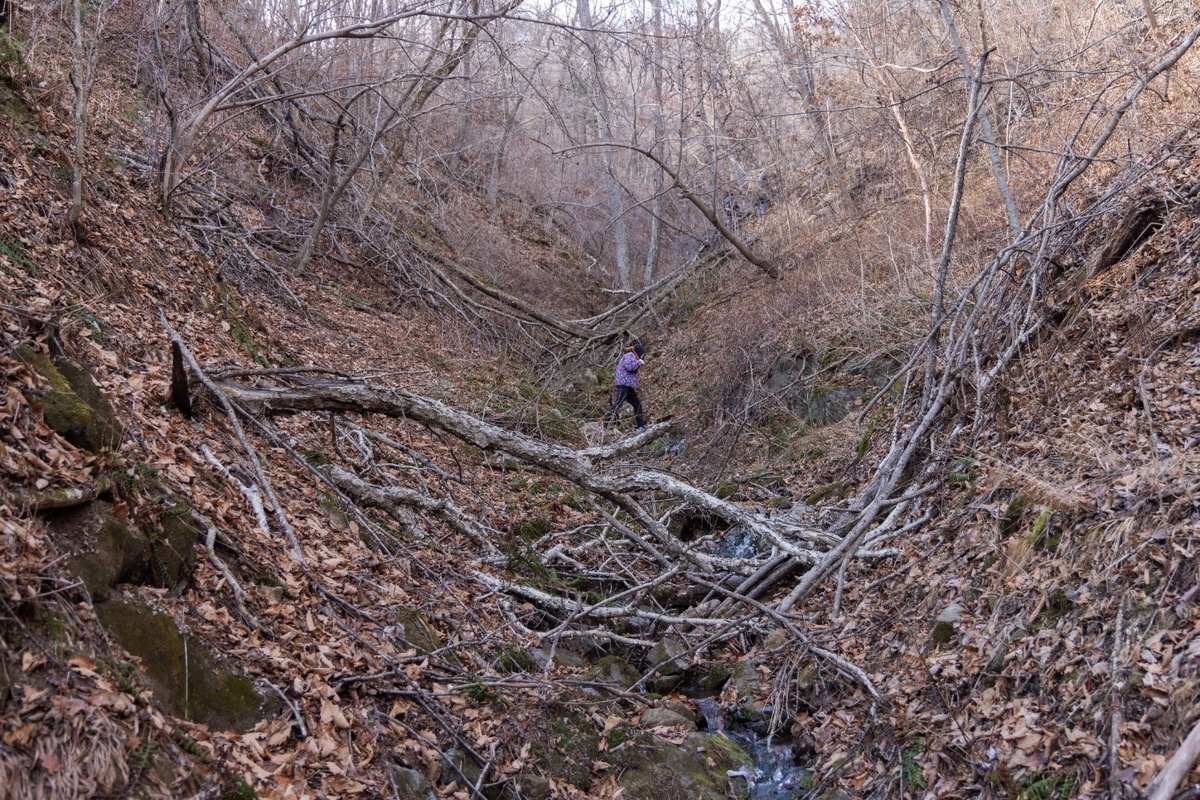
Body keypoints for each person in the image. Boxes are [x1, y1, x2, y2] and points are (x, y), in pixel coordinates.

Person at [603, 343, 647, 430]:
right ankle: (604, 423)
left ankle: (640, 427)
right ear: (638, 353)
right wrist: (639, 363)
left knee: (637, 405)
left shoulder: (633, 357)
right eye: (641, 354)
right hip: (623, 385)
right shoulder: (629, 355)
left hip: (629, 387)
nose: (641, 356)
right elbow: (629, 367)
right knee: (617, 404)